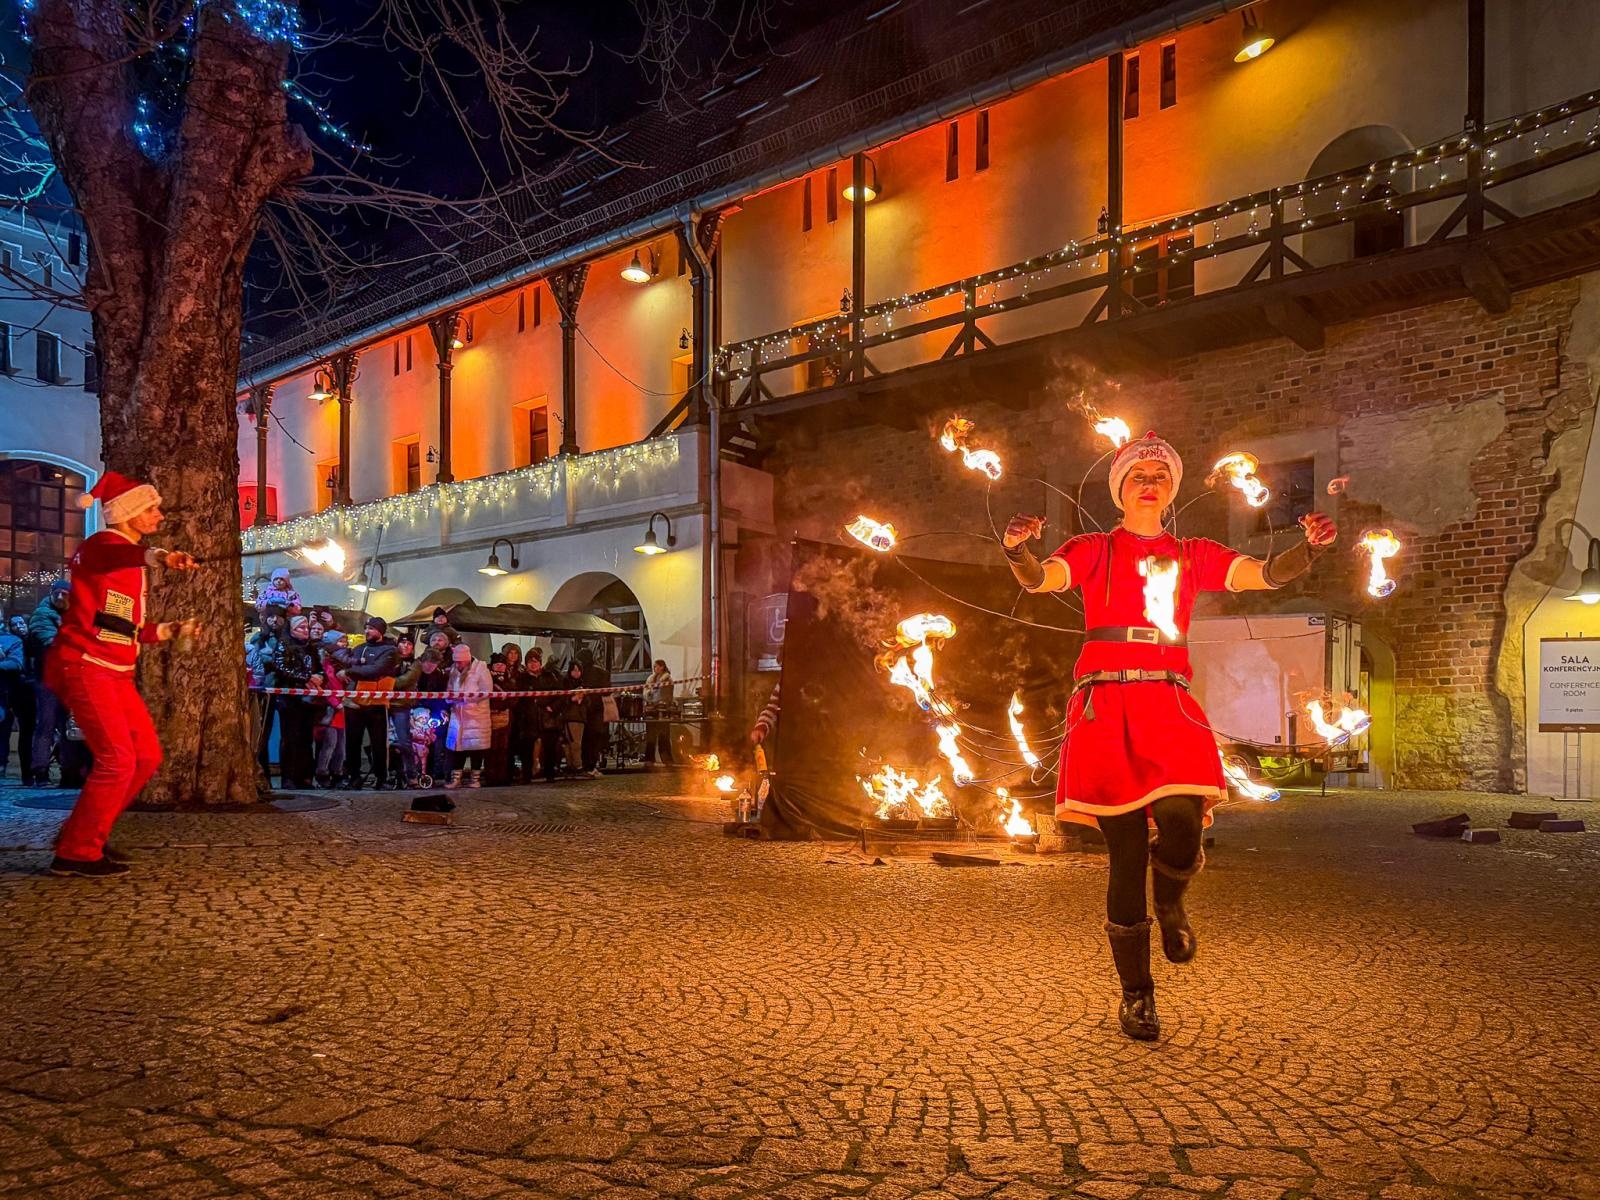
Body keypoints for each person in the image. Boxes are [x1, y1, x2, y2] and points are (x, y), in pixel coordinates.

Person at [1002, 431, 1337, 1041]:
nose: (1149, 482)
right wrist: (1018, 551)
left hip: (1168, 701)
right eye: (1137, 475)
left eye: (1159, 474)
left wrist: (1306, 551)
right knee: (1125, 854)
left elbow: (1260, 574)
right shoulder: (1095, 548)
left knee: (1182, 823)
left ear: (1171, 490)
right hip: (1105, 705)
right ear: (1122, 491)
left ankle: (1173, 899)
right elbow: (1043, 579)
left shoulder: (1193, 552)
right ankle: (1137, 995)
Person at [46, 470, 200, 877]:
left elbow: (116, 623)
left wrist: (166, 632)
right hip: (86, 665)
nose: (159, 515)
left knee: (145, 756)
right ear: (128, 512)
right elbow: (119, 555)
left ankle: (81, 834)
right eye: (151, 508)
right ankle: (76, 852)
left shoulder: (128, 559)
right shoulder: (102, 546)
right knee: (117, 760)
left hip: (115, 670)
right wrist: (161, 556)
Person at [332, 615, 401, 789]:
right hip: (355, 702)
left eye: (371, 628)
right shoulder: (358, 648)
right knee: (352, 742)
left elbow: (376, 670)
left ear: (380, 631)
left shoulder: (390, 650)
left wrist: (350, 671)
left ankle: (381, 777)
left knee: (379, 743)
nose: (367, 631)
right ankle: (354, 776)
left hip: (376, 702)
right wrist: (348, 669)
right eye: (366, 628)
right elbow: (345, 662)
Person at [269, 615, 322, 789]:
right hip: (289, 700)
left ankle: (305, 776)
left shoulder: (311, 648)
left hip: (309, 701)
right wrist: (305, 678)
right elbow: (281, 668)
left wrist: (319, 677)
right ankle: (289, 777)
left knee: (306, 739)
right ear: (292, 629)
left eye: (307, 627)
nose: (305, 631)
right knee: (290, 738)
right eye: (301, 628)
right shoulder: (284, 645)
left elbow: (320, 669)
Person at [27, 579, 70, 786]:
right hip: (47, 680)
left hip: (66, 680)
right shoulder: (42, 615)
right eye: (57, 594)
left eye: (65, 594)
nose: (60, 598)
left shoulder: (69, 614)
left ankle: (69, 771)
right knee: (46, 724)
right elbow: (52, 642)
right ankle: (40, 771)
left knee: (67, 726)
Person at [397, 649, 451, 782]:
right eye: (430, 664)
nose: (431, 668)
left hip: (430, 713)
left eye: (434, 665)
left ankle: (429, 773)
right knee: (408, 743)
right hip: (411, 710)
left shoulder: (439, 674)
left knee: (431, 742)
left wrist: (441, 711)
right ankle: (408, 773)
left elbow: (441, 695)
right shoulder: (413, 670)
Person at [444, 642, 492, 787]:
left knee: (476, 748)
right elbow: (450, 688)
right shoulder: (454, 670)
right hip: (458, 715)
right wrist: (450, 698)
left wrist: (466, 698)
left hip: (476, 716)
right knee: (458, 749)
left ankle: (475, 778)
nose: (457, 664)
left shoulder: (481, 669)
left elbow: (486, 691)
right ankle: (456, 778)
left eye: (460, 662)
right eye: (456, 661)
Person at [314, 630, 348, 787]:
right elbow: (326, 686)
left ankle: (337, 773)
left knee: (340, 747)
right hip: (331, 709)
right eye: (341, 641)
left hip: (341, 708)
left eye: (345, 641)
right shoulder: (324, 663)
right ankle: (322, 773)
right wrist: (336, 703)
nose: (345, 644)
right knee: (330, 744)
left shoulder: (341, 664)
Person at [533, 653, 567, 783]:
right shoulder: (555, 677)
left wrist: (550, 707)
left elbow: (560, 696)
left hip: (548, 717)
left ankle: (548, 771)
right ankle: (548, 771)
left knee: (549, 746)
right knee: (548, 746)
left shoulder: (551, 677)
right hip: (545, 716)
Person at [0, 612, 25, 779]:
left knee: (2, 727)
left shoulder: (11, 640)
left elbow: (16, 663)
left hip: (2, 692)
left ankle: (1, 764)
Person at [578, 648, 610, 777]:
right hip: (597, 710)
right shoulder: (602, 673)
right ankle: (592, 765)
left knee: (584, 739)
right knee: (595, 739)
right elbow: (607, 691)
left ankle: (584, 765)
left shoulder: (579, 673)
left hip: (582, 710)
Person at [486, 654, 513, 785]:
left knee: (503, 749)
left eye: (503, 664)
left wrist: (504, 705)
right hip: (489, 717)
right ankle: (491, 777)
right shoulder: (487, 679)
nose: (500, 667)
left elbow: (513, 698)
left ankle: (502, 777)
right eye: (497, 664)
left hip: (505, 717)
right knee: (491, 749)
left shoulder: (509, 680)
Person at [643, 659, 676, 765]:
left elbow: (665, 694)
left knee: (663, 735)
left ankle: (666, 759)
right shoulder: (650, 679)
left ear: (662, 667)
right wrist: (649, 695)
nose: (655, 668)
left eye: (657, 666)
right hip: (651, 710)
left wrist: (653, 696)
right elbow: (646, 692)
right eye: (654, 666)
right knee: (650, 736)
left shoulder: (667, 679)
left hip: (663, 710)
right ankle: (649, 759)